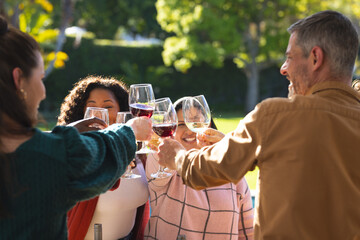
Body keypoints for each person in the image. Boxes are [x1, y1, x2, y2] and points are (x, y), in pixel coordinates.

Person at [157, 10, 360, 240]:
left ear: (315, 58)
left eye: (290, 57)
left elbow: (203, 170)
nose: (284, 68)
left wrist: (177, 157)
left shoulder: (276, 116)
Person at [0, 16, 152, 239]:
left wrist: (68, 133)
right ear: (18, 80)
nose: (43, 91)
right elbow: (100, 153)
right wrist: (130, 130)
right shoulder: (50, 157)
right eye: (41, 78)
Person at [144, 97, 254, 240]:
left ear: (207, 124)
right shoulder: (165, 166)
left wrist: (227, 148)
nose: (189, 129)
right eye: (181, 124)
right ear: (171, 129)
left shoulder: (229, 171)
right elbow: (158, 164)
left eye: (195, 121)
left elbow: (248, 231)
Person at [57, 76, 150, 240]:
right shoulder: (75, 157)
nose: (100, 115)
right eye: (91, 107)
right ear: (80, 113)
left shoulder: (140, 154)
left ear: (123, 110)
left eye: (108, 106)